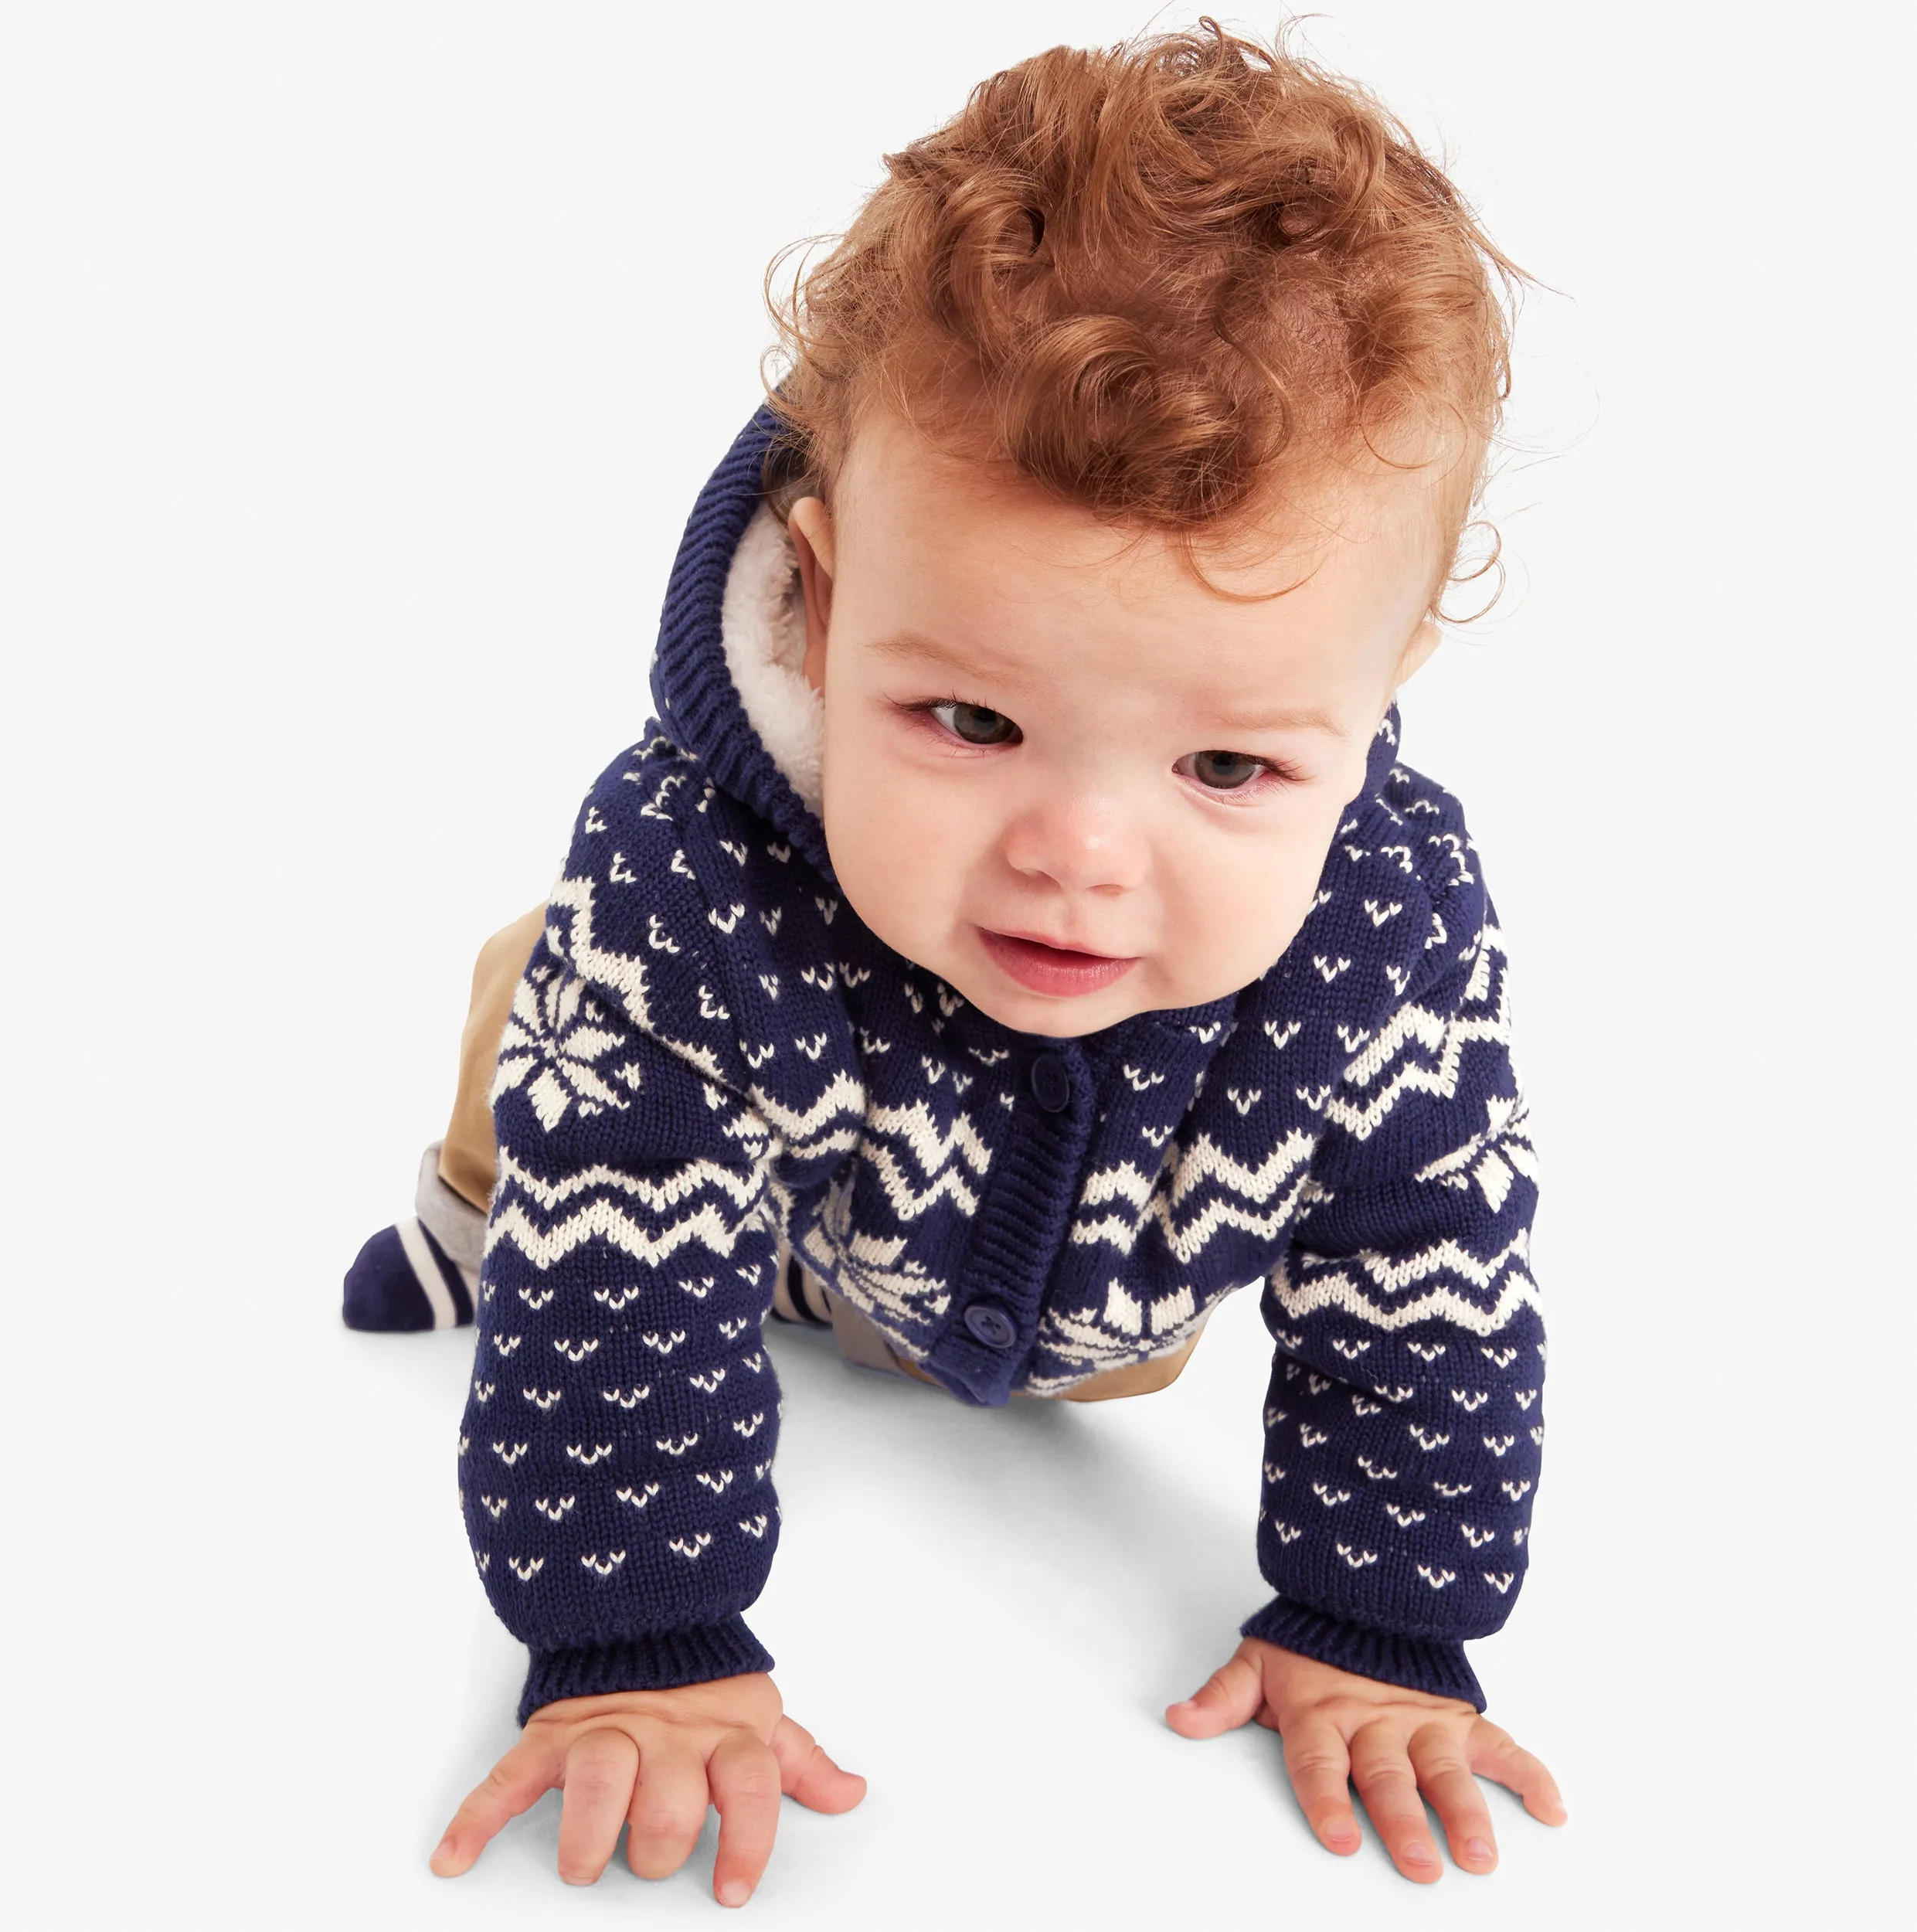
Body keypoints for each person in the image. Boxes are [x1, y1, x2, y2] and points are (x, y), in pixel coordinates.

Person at [344, 21, 1566, 1901]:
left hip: (1088, 1291)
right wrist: (641, 1640)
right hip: (784, 1206)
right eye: (969, 720)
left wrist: (1378, 1613)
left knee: (1174, 1325)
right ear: (823, 604)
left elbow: (1428, 1263)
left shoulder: (1386, 924)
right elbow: (622, 1279)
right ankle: (462, 1191)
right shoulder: (693, 874)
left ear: (1375, 689)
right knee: (565, 1041)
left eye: (1225, 764)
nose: (1077, 855)